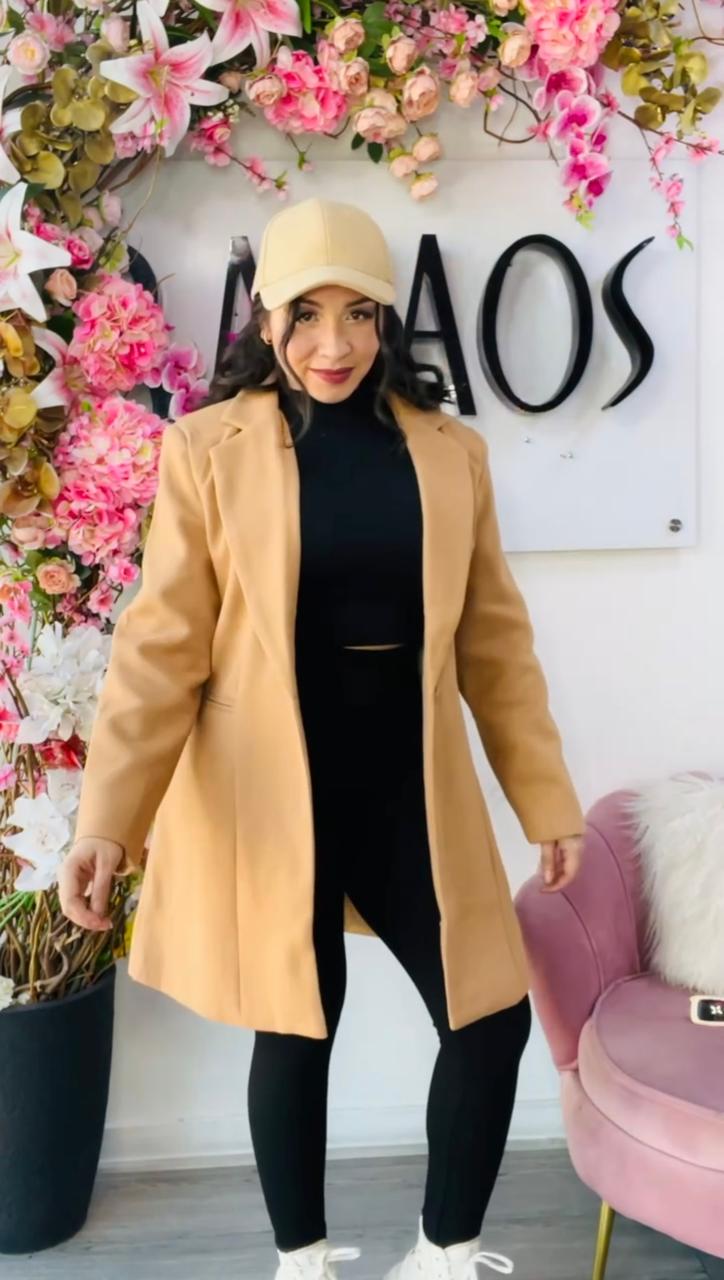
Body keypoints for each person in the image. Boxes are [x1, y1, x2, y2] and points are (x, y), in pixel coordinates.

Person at [59, 197, 586, 1280]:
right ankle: (301, 1262)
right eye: (305, 314)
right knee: (298, 1019)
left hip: (409, 784)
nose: (332, 343)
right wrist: (108, 822)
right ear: (267, 318)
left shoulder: (451, 453)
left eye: (357, 313)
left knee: (489, 1017)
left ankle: (444, 1253)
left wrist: (545, 800)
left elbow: (494, 644)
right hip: (268, 788)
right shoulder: (208, 449)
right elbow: (161, 650)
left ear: (387, 318)